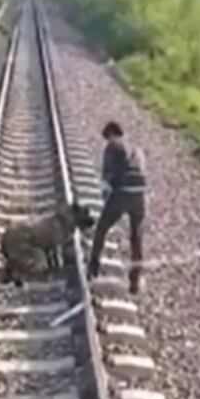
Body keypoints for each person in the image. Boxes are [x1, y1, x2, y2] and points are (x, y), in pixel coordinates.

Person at [87, 121, 147, 295]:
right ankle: (134, 282)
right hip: (140, 196)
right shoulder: (137, 150)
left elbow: (108, 177)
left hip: (122, 193)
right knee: (136, 238)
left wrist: (105, 197)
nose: (107, 141)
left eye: (107, 138)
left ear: (111, 134)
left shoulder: (113, 146)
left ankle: (93, 268)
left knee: (101, 228)